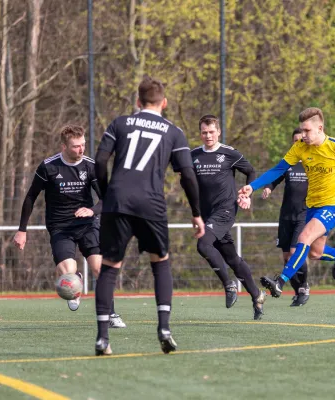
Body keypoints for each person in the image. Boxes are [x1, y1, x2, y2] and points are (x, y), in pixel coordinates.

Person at [93, 76, 204, 356]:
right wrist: (196, 213)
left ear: (137, 102)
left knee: (109, 267)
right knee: (160, 262)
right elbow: (187, 175)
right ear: (164, 103)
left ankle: (103, 338)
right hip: (151, 204)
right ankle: (164, 329)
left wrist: (106, 195)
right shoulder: (174, 132)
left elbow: (99, 162)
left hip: (117, 200)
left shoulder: (119, 123)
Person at [238, 107, 335, 298]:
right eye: (302, 130)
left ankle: (279, 281)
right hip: (312, 206)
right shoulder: (300, 147)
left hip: (333, 206)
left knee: (303, 238)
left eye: (307, 131)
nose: (303, 135)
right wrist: (252, 186)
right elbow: (278, 169)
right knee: (314, 253)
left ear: (320, 128)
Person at [13, 125, 126, 329]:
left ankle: (110, 314)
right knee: (68, 272)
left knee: (100, 268)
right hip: (60, 227)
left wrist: (93, 211)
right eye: (76, 147)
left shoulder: (91, 166)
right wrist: (22, 230)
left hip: (88, 224)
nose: (81, 150)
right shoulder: (48, 167)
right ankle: (76, 282)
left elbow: (106, 198)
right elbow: (31, 197)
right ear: (63, 146)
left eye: (83, 145)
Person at [191, 115, 266, 320]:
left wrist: (247, 193)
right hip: (207, 215)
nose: (208, 136)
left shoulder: (229, 153)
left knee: (203, 245)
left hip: (225, 209)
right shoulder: (194, 155)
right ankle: (257, 295)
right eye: (204, 132)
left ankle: (229, 285)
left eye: (211, 131)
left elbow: (250, 171)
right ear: (200, 133)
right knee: (231, 258)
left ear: (219, 132)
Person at [261, 128, 310, 306]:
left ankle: (304, 287)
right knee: (287, 258)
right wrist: (268, 187)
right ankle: (297, 292)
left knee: (296, 252)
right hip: (286, 215)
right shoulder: (288, 162)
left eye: (301, 140)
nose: (298, 143)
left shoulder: (311, 162)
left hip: (303, 215)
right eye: (295, 141)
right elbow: (275, 177)